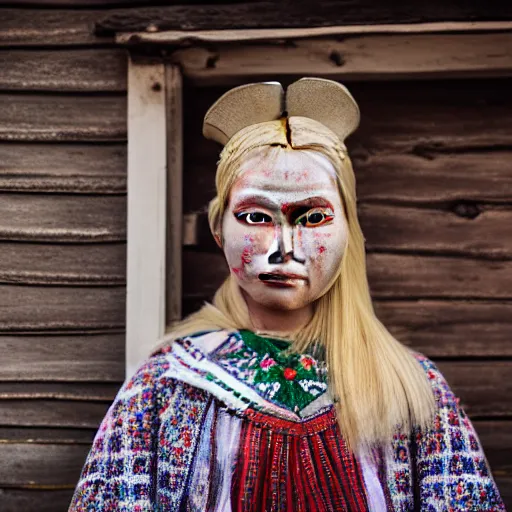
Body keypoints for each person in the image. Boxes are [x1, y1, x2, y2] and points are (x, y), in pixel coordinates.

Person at [69, 78, 505, 511]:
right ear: (219, 230)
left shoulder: (410, 389)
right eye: (256, 216)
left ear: (347, 231)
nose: (284, 248)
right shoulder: (167, 385)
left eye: (313, 217)